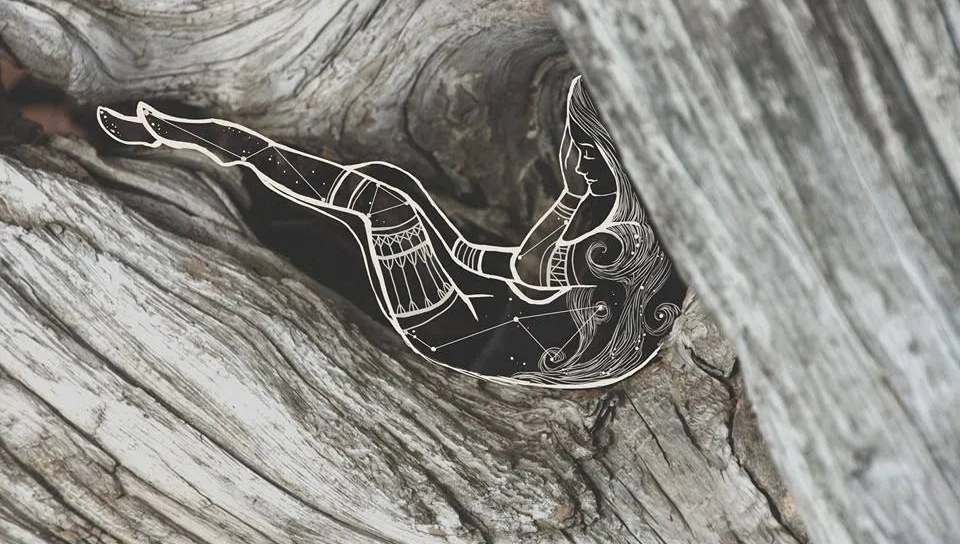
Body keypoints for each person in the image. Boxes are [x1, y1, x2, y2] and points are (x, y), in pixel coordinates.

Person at [97, 76, 684, 388]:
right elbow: (508, 268)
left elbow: (513, 269)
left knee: (383, 200)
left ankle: (194, 136)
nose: (562, 247)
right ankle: (199, 137)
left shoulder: (595, 305)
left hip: (466, 326)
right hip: (474, 321)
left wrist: (584, 195)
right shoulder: (585, 296)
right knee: (384, 196)